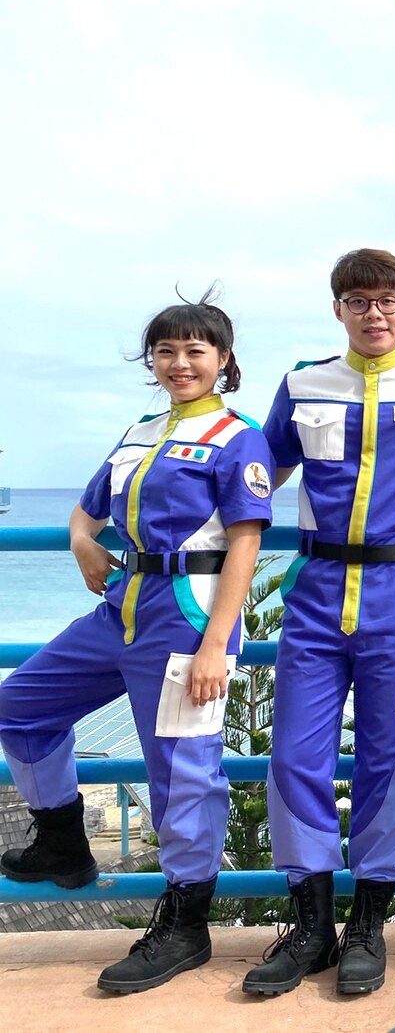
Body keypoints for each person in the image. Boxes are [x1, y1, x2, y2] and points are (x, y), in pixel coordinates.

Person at [0, 295, 270, 993]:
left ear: (223, 360)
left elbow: (245, 543)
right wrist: (82, 540)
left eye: (195, 350)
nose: (180, 363)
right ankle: (62, 841)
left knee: (182, 772)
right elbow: (87, 507)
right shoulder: (140, 430)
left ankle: (185, 925)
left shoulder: (237, 436)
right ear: (152, 360)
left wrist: (217, 644)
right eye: (166, 350)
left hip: (188, 615)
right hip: (121, 608)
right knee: (20, 706)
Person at [250, 249, 395, 998]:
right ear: (339, 311)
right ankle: (312, 926)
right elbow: (258, 470)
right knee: (293, 758)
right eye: (359, 300)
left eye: (389, 300)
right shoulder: (303, 383)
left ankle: (368, 925)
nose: (375, 312)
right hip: (316, 595)